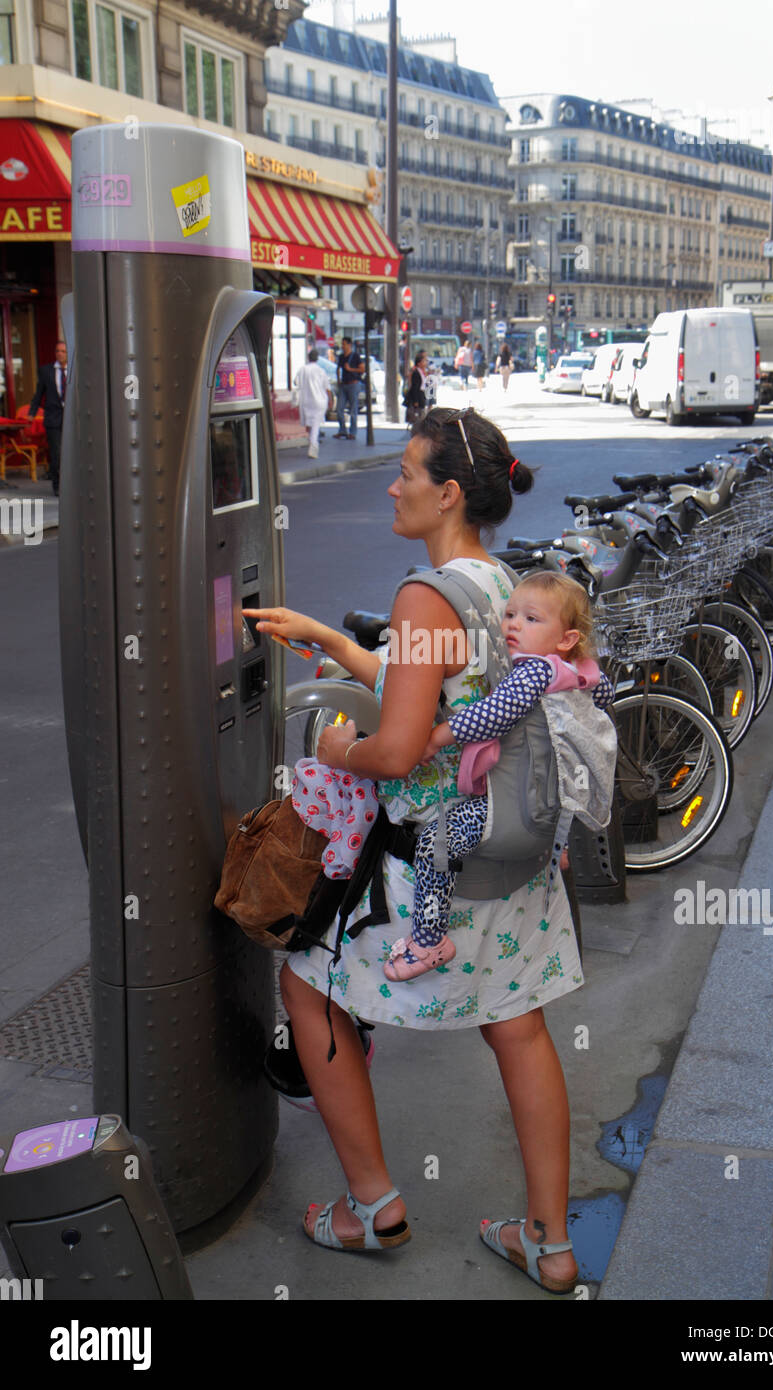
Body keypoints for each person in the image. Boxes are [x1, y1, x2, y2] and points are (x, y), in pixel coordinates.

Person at [246, 406, 589, 1295]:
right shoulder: (492, 581)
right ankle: (550, 1245)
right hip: (513, 860)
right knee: (519, 1030)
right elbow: (425, 687)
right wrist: (331, 643)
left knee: (305, 986)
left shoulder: (423, 593)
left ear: (445, 494)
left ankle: (373, 1207)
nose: (392, 484)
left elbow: (397, 749)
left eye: (406, 472)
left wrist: (335, 752)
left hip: (431, 870)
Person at [382, 569, 607, 981]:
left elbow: (494, 714)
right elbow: (601, 700)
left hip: (509, 806)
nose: (513, 625)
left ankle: (429, 941)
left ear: (566, 639)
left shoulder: (534, 672)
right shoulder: (584, 672)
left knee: (436, 844)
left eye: (531, 619)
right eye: (510, 615)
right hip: (547, 802)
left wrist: (436, 738)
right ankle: (559, 849)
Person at [29, 339, 66, 495]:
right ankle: (58, 486)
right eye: (57, 351)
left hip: (72, 419)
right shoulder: (46, 371)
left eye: (63, 351)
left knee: (73, 452)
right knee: (56, 453)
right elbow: (39, 394)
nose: (60, 354)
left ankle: (73, 484)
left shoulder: (75, 370)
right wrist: (32, 412)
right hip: (53, 418)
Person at [294, 348, 333, 458]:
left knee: (310, 424)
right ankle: (313, 445)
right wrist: (330, 401)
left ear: (308, 358)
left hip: (306, 400)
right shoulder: (321, 371)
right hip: (319, 401)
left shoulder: (302, 369)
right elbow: (327, 388)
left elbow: (295, 382)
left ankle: (312, 442)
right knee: (315, 424)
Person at [335, 336, 363, 439]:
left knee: (353, 410)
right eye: (342, 344)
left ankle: (352, 432)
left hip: (353, 384)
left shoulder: (355, 356)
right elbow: (338, 368)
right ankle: (342, 430)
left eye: (344, 344)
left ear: (349, 345)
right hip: (343, 384)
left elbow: (362, 369)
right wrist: (338, 380)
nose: (342, 346)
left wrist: (350, 369)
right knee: (339, 409)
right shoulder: (341, 357)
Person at [403, 349, 429, 426]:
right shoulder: (416, 372)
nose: (425, 363)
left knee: (422, 413)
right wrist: (415, 401)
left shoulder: (422, 371)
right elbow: (415, 387)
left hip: (422, 394)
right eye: (424, 361)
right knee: (419, 415)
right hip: (418, 395)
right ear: (419, 363)